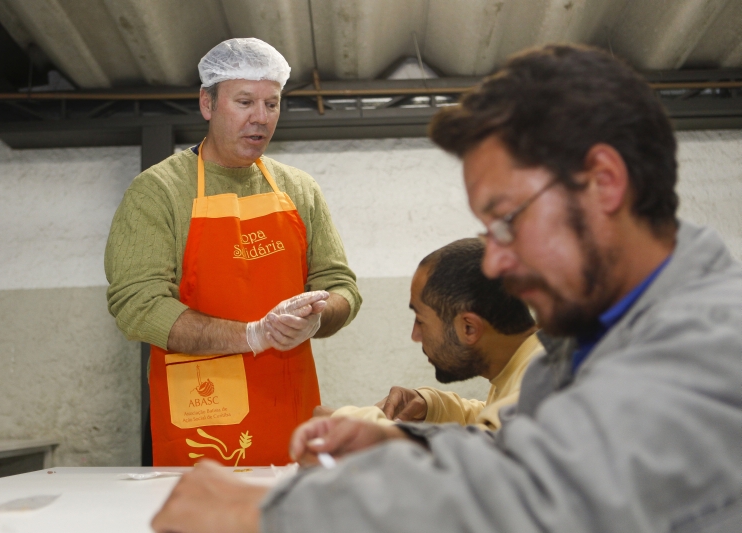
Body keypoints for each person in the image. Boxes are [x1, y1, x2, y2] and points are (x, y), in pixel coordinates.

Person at [151, 44, 742, 533]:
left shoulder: (711, 343)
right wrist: (405, 444)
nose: (500, 261)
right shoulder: (588, 338)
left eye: (508, 220)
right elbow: (519, 456)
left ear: (604, 183)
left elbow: (553, 502)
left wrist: (270, 511)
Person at [105, 38, 361, 467]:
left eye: (272, 104)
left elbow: (341, 286)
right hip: (204, 416)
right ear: (207, 103)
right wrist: (252, 336)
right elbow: (137, 305)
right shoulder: (159, 191)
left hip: (289, 405)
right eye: (244, 102)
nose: (260, 119)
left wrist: (320, 316)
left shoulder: (299, 189)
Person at [321, 238, 542, 431]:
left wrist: (358, 427)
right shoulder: (529, 361)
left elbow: (484, 455)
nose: (415, 335)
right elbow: (496, 419)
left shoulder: (547, 379)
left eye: (420, 320)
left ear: (469, 328)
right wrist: (433, 406)